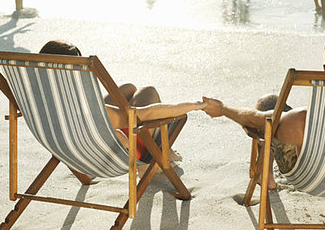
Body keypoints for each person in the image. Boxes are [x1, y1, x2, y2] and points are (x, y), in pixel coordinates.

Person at [202, 30, 325, 189]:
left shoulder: (304, 120)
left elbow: (254, 119)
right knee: (280, 113)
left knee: (269, 106)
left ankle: (266, 177)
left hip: (311, 179)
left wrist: (223, 109)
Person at [39, 40, 205, 175]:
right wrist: (195, 105)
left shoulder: (38, 95)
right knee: (149, 91)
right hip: (113, 151)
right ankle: (160, 152)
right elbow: (144, 114)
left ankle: (163, 150)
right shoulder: (83, 107)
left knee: (128, 88)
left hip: (70, 146)